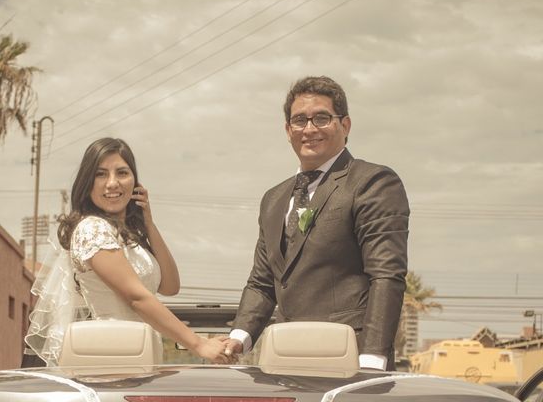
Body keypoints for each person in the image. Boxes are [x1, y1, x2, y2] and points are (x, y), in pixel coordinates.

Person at [225, 76, 409, 370]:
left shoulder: (373, 182)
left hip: (348, 358)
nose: (309, 129)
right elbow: (262, 282)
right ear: (288, 130)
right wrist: (238, 338)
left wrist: (372, 359)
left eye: (321, 118)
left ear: (345, 125)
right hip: (284, 358)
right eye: (299, 120)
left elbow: (386, 276)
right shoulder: (273, 199)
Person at [25, 137, 229, 365]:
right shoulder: (92, 229)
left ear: (135, 182)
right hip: (112, 351)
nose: (112, 183)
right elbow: (136, 298)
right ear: (87, 183)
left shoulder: (128, 237)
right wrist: (199, 344)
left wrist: (148, 223)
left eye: (122, 173)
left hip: (142, 351)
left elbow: (170, 286)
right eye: (101, 174)